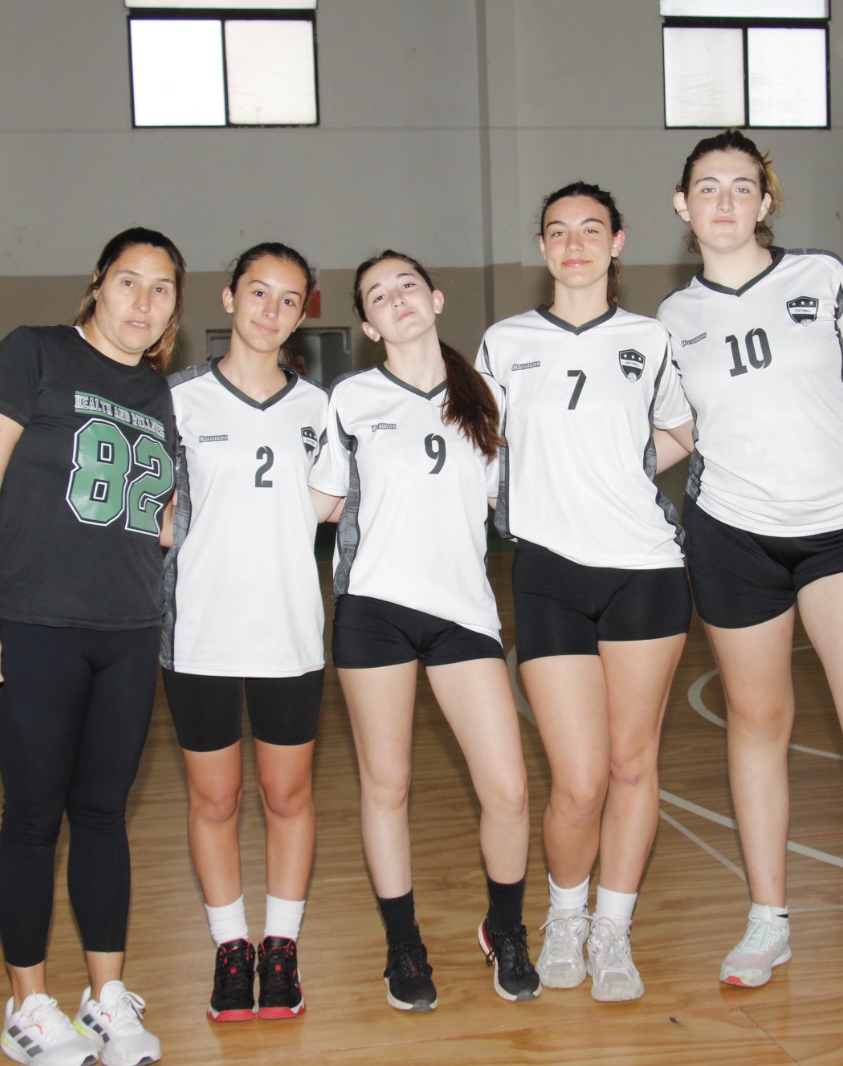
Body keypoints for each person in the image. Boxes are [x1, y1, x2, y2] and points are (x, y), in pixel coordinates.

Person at [658, 130, 843, 1021]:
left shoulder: (822, 280)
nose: (726, 201)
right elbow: (678, 434)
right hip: (733, 536)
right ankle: (768, 918)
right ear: (683, 206)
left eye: (743, 186)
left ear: (766, 202)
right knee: (757, 723)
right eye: (709, 187)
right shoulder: (671, 320)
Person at [0, 227, 183, 1066]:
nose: (144, 301)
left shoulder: (159, 395)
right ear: (96, 284)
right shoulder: (33, 354)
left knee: (103, 815)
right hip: (33, 626)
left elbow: (159, 515)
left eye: (162, 288)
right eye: (129, 281)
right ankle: (27, 1006)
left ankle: (106, 998)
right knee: (33, 813)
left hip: (127, 630)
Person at [476, 182, 693, 1002]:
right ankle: (564, 916)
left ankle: (612, 928)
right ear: (541, 247)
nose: (574, 245)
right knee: (578, 779)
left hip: (644, 569)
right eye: (558, 232)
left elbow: (681, 429)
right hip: (548, 574)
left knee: (633, 766)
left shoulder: (651, 340)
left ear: (618, 242)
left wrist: (623, 473)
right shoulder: (505, 342)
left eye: (590, 230)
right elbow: (478, 443)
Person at [308, 251, 540, 1012]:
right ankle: (402, 944)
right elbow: (319, 503)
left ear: (436, 299)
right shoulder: (350, 400)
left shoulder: (489, 397)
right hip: (373, 610)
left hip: (464, 613)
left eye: (407, 284)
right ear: (369, 326)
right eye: (377, 295)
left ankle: (505, 928)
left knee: (508, 789)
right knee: (387, 784)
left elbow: (517, 499)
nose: (396, 298)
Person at [160, 243, 327, 1022]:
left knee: (287, 794)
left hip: (290, 633)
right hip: (201, 633)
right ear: (228, 299)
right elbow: (152, 514)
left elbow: (337, 507)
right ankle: (231, 947)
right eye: (258, 292)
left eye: (289, 299)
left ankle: (281, 945)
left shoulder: (319, 410)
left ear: (302, 315)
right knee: (216, 797)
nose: (271, 310)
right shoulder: (177, 400)